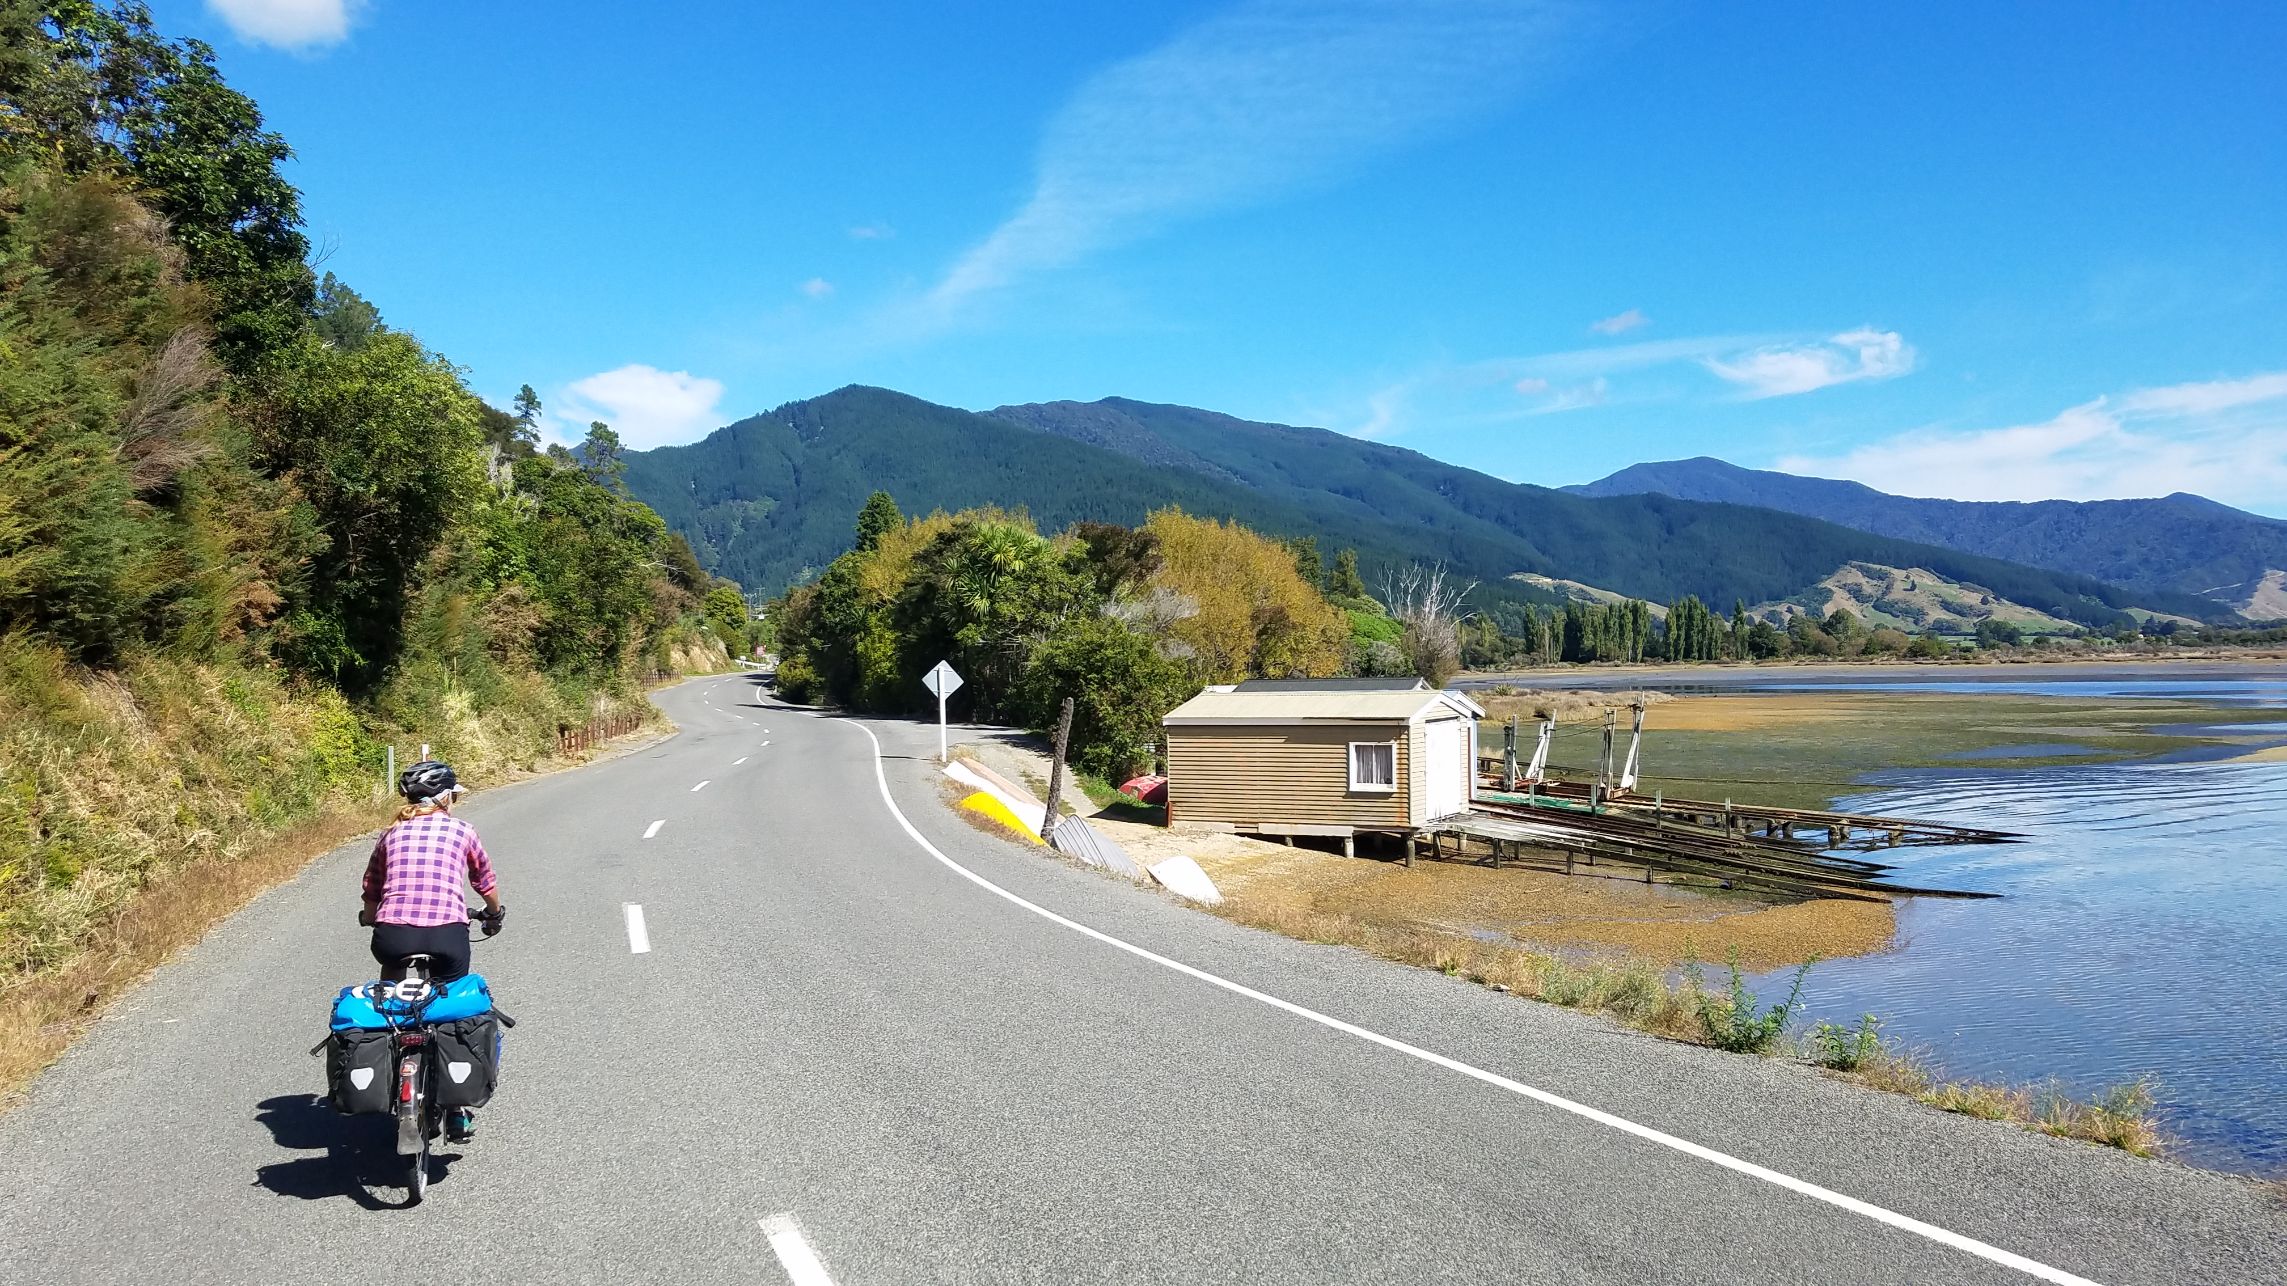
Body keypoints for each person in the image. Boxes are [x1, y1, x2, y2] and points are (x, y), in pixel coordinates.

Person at [360, 759, 504, 1142]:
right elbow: (484, 881)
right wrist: (493, 914)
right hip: (447, 934)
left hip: (394, 935)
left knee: (390, 992)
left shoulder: (390, 834)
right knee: (450, 1005)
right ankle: (456, 1110)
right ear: (445, 798)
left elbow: (372, 886)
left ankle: (388, 1059)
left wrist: (371, 917)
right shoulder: (462, 831)